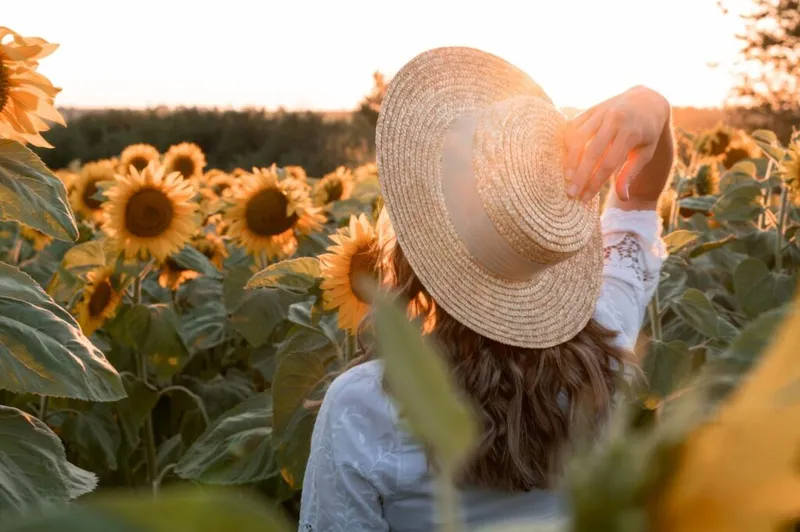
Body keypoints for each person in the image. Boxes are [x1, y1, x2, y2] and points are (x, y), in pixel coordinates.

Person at [298, 46, 673, 531]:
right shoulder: (607, 349)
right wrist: (654, 110)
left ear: (413, 249)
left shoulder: (367, 405)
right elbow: (636, 207)